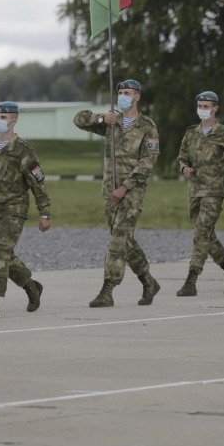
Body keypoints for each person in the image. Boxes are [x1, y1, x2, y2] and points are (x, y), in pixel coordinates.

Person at [74, 79, 161, 307]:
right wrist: (101, 119)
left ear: (137, 97)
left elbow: (147, 163)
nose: (123, 96)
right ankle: (148, 281)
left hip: (131, 193)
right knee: (125, 241)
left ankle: (107, 289)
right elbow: (78, 119)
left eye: (128, 92)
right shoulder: (113, 122)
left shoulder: (147, 127)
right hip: (110, 192)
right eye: (120, 92)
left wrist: (125, 187)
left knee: (117, 240)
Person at [0, 102, 51, 317]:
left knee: (0, 252)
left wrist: (44, 213)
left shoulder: (23, 150)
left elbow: (38, 183)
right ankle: (31, 286)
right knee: (1, 253)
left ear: (14, 120)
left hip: (14, 209)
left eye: (3, 117)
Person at [175, 91, 224, 296]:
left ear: (215, 108)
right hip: (194, 190)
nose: (202, 109)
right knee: (205, 234)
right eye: (199, 105)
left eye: (206, 106)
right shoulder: (191, 133)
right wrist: (184, 168)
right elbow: (181, 158)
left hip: (214, 191)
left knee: (200, 233)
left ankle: (191, 279)